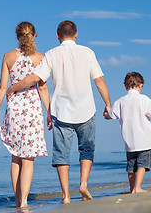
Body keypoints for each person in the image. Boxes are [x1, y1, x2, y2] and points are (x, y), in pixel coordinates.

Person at [6, 20, 111, 203]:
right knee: (86, 149)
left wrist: (12, 88)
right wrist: (108, 104)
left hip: (62, 111)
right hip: (86, 109)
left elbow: (34, 78)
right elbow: (99, 80)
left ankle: (66, 196)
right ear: (76, 34)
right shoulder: (87, 52)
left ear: (57, 35)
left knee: (62, 153)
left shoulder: (51, 54)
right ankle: (83, 184)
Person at [0, 21, 51, 208]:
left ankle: (18, 200)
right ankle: (24, 201)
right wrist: (50, 112)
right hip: (32, 110)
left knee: (16, 157)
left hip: (14, 110)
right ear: (35, 36)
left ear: (17, 37)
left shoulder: (8, 56)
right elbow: (43, 88)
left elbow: (2, 87)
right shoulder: (40, 58)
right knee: (28, 158)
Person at [104, 72, 151, 193]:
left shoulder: (120, 101)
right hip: (143, 139)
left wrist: (106, 114)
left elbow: (110, 116)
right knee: (142, 164)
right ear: (141, 85)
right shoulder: (144, 99)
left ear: (125, 87)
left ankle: (132, 188)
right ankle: (138, 187)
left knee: (131, 166)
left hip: (129, 141)